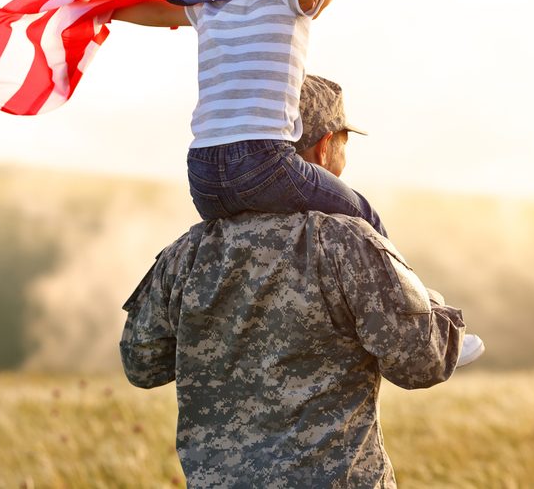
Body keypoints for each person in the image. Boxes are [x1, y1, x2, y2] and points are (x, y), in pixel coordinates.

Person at [120, 75, 483, 487]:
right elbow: (421, 363)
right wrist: (436, 311)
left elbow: (142, 364)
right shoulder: (346, 241)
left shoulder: (186, 252)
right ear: (324, 145)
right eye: (344, 144)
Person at [112, 0, 416, 237]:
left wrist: (98, 7)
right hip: (262, 163)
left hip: (203, 177)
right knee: (366, 218)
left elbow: (154, 12)